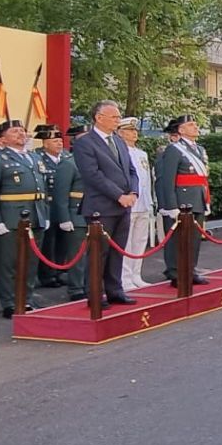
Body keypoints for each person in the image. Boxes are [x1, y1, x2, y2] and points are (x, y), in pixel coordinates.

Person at [71, 99, 141, 305]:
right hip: (101, 206)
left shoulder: (118, 140)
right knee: (98, 254)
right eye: (115, 117)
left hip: (124, 205)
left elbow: (131, 170)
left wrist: (133, 192)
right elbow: (93, 175)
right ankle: (94, 293)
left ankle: (115, 289)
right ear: (99, 118)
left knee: (117, 251)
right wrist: (119, 195)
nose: (118, 120)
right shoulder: (85, 142)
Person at [0, 119, 43, 318]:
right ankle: (9, 301)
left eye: (22, 130)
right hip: (10, 216)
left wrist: (43, 213)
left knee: (30, 262)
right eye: (15, 131)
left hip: (35, 214)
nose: (21, 134)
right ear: (2, 139)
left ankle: (26, 298)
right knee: (9, 262)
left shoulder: (32, 157)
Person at [154, 115, 211, 285]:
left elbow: (202, 178)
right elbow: (168, 179)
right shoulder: (174, 149)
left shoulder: (199, 149)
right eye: (191, 124)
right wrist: (171, 205)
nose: (196, 127)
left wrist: (206, 199)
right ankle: (175, 272)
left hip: (198, 198)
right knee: (177, 239)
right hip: (182, 199)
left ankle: (190, 269)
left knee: (194, 239)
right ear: (181, 130)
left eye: (195, 124)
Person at [49, 124, 92, 299]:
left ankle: (89, 285)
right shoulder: (69, 163)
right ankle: (76, 288)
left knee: (92, 254)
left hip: (93, 213)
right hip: (76, 213)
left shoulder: (95, 160)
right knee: (78, 255)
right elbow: (60, 194)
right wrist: (64, 218)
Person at [30, 125, 71, 289]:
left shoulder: (67, 157)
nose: (59, 144)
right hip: (47, 204)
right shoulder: (38, 158)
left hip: (63, 204)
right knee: (48, 241)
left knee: (63, 240)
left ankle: (59, 270)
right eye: (55, 141)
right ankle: (47, 275)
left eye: (60, 141)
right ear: (45, 143)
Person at [118, 119, 157, 290]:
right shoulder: (119, 152)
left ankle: (136, 274)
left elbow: (146, 180)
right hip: (129, 203)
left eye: (135, 130)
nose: (134, 133)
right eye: (129, 130)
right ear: (120, 132)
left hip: (143, 203)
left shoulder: (142, 154)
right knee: (126, 243)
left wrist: (150, 201)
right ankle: (124, 277)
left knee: (140, 241)